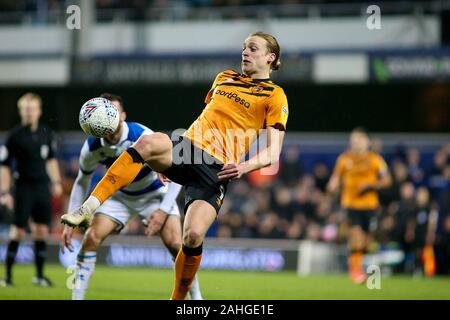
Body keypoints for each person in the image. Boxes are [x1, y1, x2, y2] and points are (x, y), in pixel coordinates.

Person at [61, 31, 289, 300]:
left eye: (252, 48)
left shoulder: (275, 96)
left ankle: (179, 301)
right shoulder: (224, 78)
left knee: (192, 236)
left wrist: (243, 167)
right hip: (188, 148)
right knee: (147, 144)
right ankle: (88, 207)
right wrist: (165, 159)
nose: (245, 52)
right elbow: (204, 118)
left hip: (217, 168)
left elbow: (272, 153)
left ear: (270, 57)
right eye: (244, 48)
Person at [60, 93, 203, 300]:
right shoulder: (91, 147)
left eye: (113, 112)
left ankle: (197, 298)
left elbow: (177, 174)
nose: (107, 117)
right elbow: (82, 180)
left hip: (154, 194)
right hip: (120, 198)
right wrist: (71, 220)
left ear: (122, 116)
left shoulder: (143, 135)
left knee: (175, 244)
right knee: (91, 238)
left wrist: (163, 211)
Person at [0, 92, 63, 287]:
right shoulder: (14, 136)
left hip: (41, 187)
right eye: (26, 109)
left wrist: (56, 182)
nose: (29, 113)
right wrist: (4, 192)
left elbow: (51, 160)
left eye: (32, 109)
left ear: (39, 111)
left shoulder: (47, 133)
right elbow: (4, 165)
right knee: (17, 232)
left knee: (41, 231)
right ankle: (7, 277)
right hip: (22, 187)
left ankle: (39, 275)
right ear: (21, 111)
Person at [327, 127, 392, 283]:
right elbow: (335, 177)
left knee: (367, 242)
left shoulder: (376, 160)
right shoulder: (344, 159)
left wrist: (371, 185)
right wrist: (332, 185)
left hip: (370, 206)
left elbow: (387, 180)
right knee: (356, 236)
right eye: (353, 139)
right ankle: (355, 272)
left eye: (358, 139)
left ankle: (361, 267)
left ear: (366, 142)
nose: (355, 143)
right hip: (350, 205)